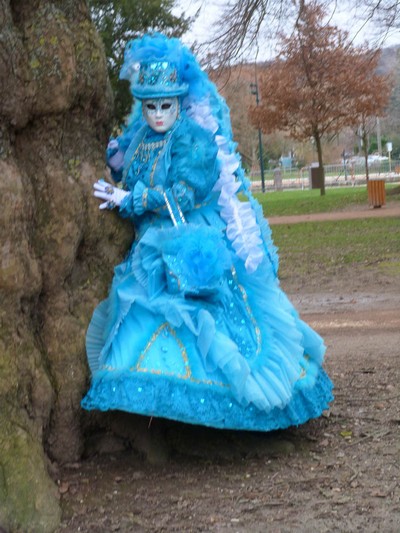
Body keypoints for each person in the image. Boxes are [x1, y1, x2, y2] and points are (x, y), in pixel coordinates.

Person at [81, 33, 333, 431]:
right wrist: (117, 166)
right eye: (150, 106)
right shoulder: (142, 138)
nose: (159, 114)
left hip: (187, 232)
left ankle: (217, 403)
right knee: (139, 304)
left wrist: (128, 198)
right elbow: (132, 166)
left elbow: (180, 195)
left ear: (180, 102)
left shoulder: (192, 141)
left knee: (211, 311)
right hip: (148, 241)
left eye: (166, 105)